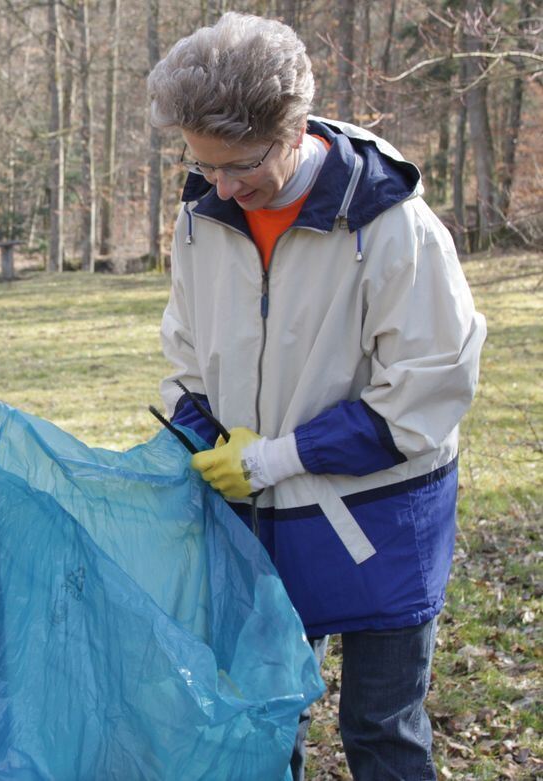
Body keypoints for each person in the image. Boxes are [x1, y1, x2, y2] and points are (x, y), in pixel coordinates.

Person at [148, 13, 486, 781]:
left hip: (382, 526)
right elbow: (185, 358)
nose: (223, 186)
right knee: (267, 718)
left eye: (240, 165)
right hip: (262, 524)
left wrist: (275, 457)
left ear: (295, 126)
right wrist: (203, 434)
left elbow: (427, 394)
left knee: (381, 729)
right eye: (204, 164)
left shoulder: (392, 224)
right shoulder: (202, 218)